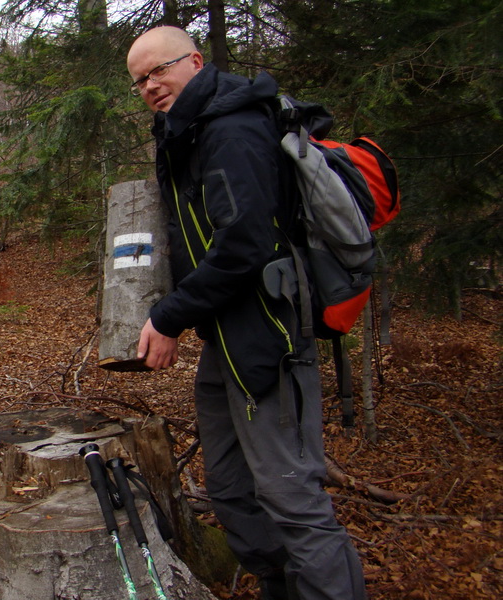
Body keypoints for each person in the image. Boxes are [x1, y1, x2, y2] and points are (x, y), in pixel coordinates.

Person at [127, 26, 367, 600]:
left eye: (160, 70)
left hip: (269, 335)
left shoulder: (231, 128)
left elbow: (244, 244)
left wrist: (168, 317)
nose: (151, 86)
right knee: (232, 489)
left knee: (292, 498)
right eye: (140, 80)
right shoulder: (188, 131)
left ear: (195, 61)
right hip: (226, 338)